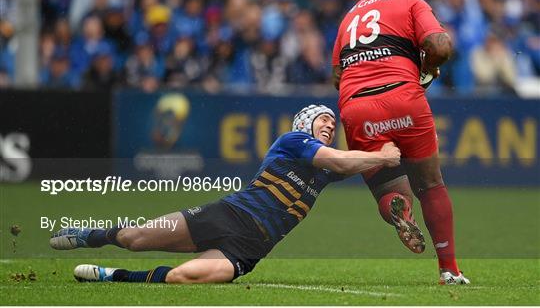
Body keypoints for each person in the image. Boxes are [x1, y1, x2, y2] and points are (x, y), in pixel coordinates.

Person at [50, 104, 400, 284]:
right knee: (134, 237)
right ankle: (89, 236)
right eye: (322, 120)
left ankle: (113, 277)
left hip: (249, 250)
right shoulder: (294, 143)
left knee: (181, 277)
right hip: (226, 215)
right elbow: (342, 160)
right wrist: (383, 155)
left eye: (333, 124)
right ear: (304, 125)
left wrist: (386, 149)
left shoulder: (327, 170)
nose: (329, 125)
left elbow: (355, 163)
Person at [331, 0, 469, 285]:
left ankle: (399, 207)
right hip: (403, 98)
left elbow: (338, 75)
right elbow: (439, 45)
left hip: (356, 106)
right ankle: (449, 269)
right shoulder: (411, 1)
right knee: (430, 184)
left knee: (388, 185)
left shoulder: (350, 16)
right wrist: (429, 69)